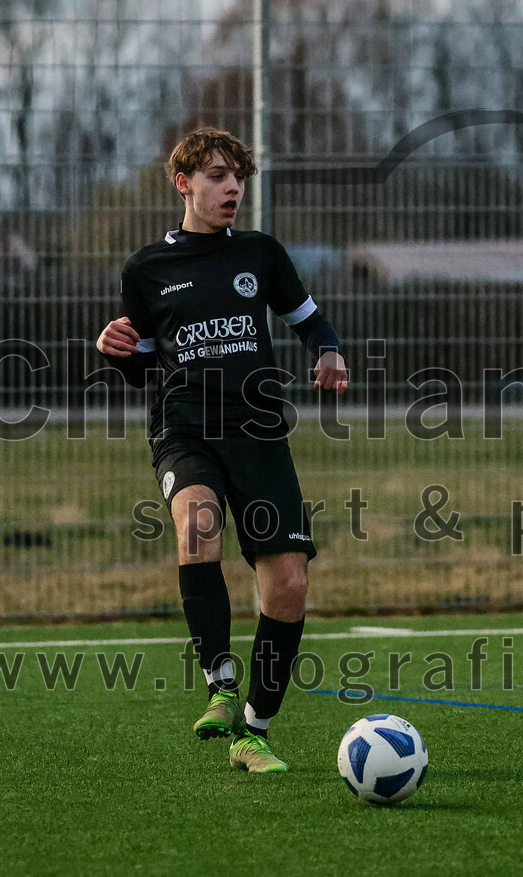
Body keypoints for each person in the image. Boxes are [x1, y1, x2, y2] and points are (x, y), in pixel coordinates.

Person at [97, 128, 348, 773]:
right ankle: (220, 684)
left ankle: (253, 732)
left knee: (289, 583)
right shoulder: (146, 269)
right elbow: (142, 366)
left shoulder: (260, 254)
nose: (232, 187)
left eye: (238, 176)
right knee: (198, 522)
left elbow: (310, 320)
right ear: (184, 184)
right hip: (183, 428)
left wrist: (328, 351)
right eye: (217, 175)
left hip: (258, 430)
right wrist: (115, 350)